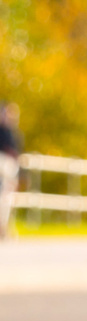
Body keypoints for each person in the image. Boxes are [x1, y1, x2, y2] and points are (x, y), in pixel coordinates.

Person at [0, 101, 23, 240]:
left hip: (9, 171)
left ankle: (4, 227)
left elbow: (17, 156)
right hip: (5, 168)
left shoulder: (15, 134)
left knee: (7, 199)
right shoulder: (4, 132)